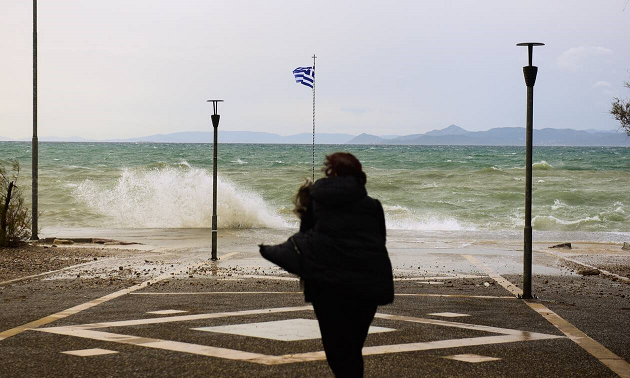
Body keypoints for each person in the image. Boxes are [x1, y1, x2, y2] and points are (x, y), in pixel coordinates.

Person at [296, 152, 394, 378]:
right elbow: (379, 243)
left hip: (327, 288)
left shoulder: (316, 204)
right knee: (352, 349)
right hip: (365, 288)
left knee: (337, 352)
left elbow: (306, 242)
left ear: (332, 173)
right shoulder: (373, 206)